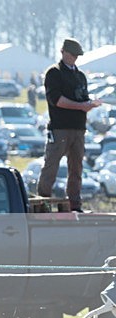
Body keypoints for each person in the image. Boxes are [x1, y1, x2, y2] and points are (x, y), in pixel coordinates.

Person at [37, 38, 101, 212]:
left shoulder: (80, 76)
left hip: (78, 128)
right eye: (72, 54)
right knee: (51, 166)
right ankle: (42, 204)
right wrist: (81, 106)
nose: (74, 58)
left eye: (76, 55)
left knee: (76, 168)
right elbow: (56, 99)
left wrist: (90, 103)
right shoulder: (54, 73)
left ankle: (75, 204)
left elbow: (82, 97)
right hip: (60, 128)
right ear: (63, 52)